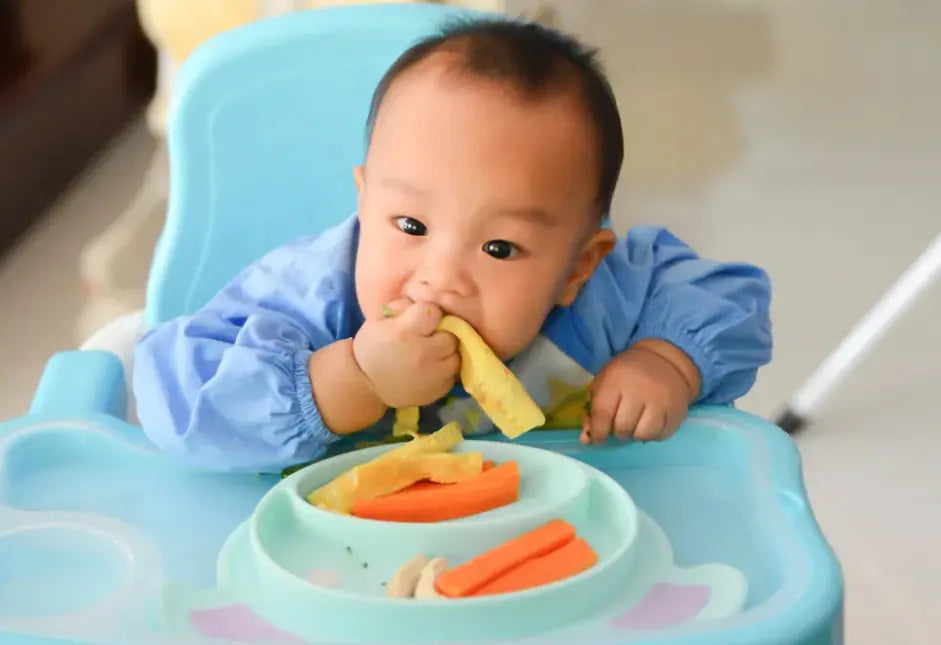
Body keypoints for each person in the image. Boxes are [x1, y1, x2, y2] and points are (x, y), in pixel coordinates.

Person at [133, 17, 772, 473]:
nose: (439, 278)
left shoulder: (605, 298)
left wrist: (665, 362)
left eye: (498, 248)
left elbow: (728, 298)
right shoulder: (306, 298)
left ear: (578, 265)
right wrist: (347, 381)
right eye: (410, 226)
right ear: (365, 201)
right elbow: (174, 396)